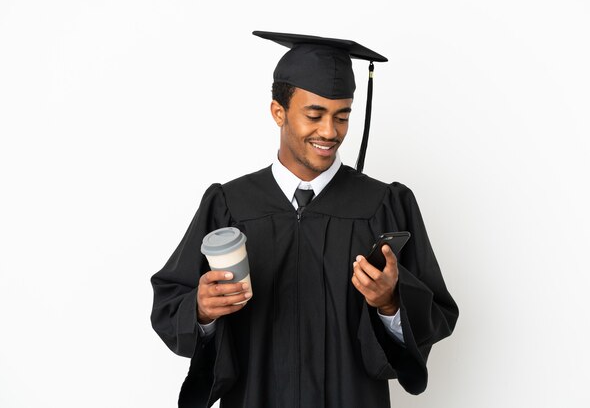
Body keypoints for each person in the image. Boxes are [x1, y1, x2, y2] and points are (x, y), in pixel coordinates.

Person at [150, 30, 458, 408]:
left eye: (342, 117)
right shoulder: (229, 204)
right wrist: (201, 311)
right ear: (278, 112)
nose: (330, 132)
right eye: (314, 115)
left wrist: (390, 304)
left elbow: (436, 314)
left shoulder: (384, 204)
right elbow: (170, 305)